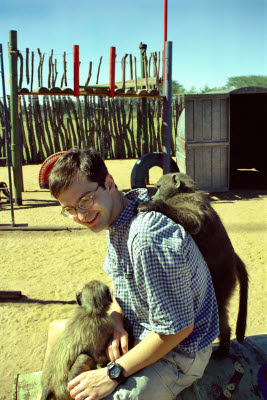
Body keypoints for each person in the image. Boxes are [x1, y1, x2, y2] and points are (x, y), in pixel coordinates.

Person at [45, 147, 219, 400]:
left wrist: (111, 374)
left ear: (109, 183)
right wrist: (116, 322)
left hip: (178, 353)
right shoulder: (117, 221)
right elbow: (121, 285)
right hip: (141, 326)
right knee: (57, 331)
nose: (81, 215)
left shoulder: (147, 237)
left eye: (85, 200)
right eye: (70, 209)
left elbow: (178, 329)